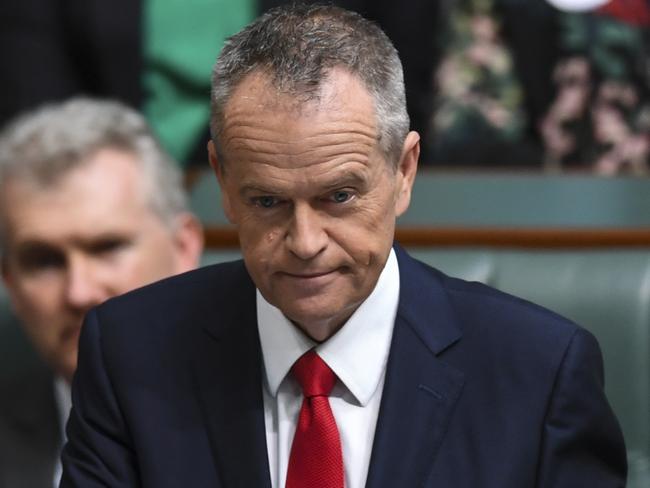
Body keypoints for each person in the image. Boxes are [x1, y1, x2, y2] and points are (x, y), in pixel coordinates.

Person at [61, 5, 626, 487]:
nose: (305, 244)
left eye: (338, 196)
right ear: (222, 183)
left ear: (404, 171)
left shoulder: (540, 373)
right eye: (266, 202)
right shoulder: (130, 356)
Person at [0, 98, 204, 487]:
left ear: (184, 247)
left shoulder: (278, 416)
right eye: (43, 261)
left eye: (107, 247)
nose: (79, 292)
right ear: (9, 280)